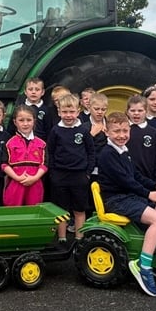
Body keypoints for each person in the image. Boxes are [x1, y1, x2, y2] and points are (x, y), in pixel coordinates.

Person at [97, 112, 156, 297]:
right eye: (116, 131)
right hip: (116, 200)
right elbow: (125, 181)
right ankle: (143, 266)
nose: (121, 135)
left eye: (124, 130)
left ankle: (151, 253)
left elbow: (136, 176)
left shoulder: (123, 150)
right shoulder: (107, 154)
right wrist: (149, 194)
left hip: (127, 195)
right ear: (107, 131)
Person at [46, 94, 95, 242]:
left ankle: (79, 238)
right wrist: (53, 173)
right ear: (59, 112)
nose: (68, 115)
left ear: (78, 111)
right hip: (60, 176)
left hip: (79, 176)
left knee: (79, 209)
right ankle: (62, 238)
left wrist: (87, 172)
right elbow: (51, 152)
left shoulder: (84, 130)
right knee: (62, 210)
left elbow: (90, 152)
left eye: (71, 112)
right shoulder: (55, 131)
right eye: (65, 112)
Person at [2, 105, 48, 206]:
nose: (25, 124)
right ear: (15, 122)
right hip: (15, 183)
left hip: (35, 183)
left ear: (34, 121)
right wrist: (17, 178)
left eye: (29, 120)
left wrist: (35, 178)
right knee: (14, 212)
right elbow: (4, 164)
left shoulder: (41, 144)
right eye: (21, 120)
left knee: (34, 211)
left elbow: (44, 164)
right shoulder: (9, 143)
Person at [126, 95, 156, 184]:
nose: (136, 113)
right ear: (127, 112)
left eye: (140, 110)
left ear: (146, 112)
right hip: (127, 178)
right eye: (132, 110)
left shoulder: (153, 132)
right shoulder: (123, 131)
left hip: (149, 179)